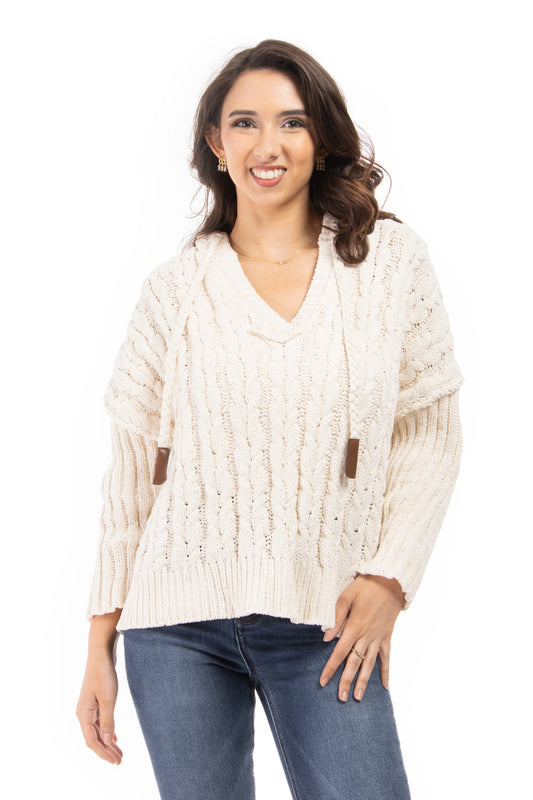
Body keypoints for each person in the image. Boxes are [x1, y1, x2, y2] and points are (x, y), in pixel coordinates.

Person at [76, 39, 464, 800]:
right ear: (216, 144)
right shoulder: (173, 291)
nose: (269, 144)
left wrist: (389, 576)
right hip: (174, 627)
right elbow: (130, 481)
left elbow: (427, 432)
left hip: (327, 622)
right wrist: (98, 645)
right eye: (245, 123)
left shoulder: (387, 263)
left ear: (320, 139)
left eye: (292, 122)